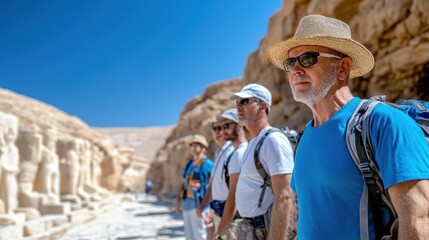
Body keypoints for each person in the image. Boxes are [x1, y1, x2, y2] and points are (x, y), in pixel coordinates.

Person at [268, 14, 429, 239]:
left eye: (307, 59)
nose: (295, 69)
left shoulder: (384, 123)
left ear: (342, 68)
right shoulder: (304, 138)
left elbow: (418, 224)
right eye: (290, 62)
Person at [230, 83, 294, 240]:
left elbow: (284, 196)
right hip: (248, 227)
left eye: (244, 101)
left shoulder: (273, 140)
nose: (238, 106)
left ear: (262, 106)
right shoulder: (254, 142)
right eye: (236, 102)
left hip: (262, 229)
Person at [199, 109, 248, 240]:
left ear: (239, 125)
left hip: (232, 217)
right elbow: (214, 185)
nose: (221, 131)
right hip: (221, 212)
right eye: (217, 128)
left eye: (225, 126)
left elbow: (233, 196)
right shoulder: (222, 152)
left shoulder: (236, 152)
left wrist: (219, 232)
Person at [197, 116, 234, 240]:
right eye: (215, 129)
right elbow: (213, 184)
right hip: (218, 211)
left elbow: (233, 192)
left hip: (230, 214)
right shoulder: (219, 152)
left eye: (222, 128)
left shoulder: (233, 150)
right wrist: (204, 207)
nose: (218, 132)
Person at [176, 134, 214, 240]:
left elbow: (214, 186)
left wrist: (212, 209)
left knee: (200, 235)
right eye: (192, 145)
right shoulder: (189, 164)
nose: (194, 147)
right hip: (187, 204)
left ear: (203, 148)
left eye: (197, 145)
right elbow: (183, 183)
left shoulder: (209, 165)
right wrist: (178, 201)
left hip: (200, 205)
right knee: (189, 235)